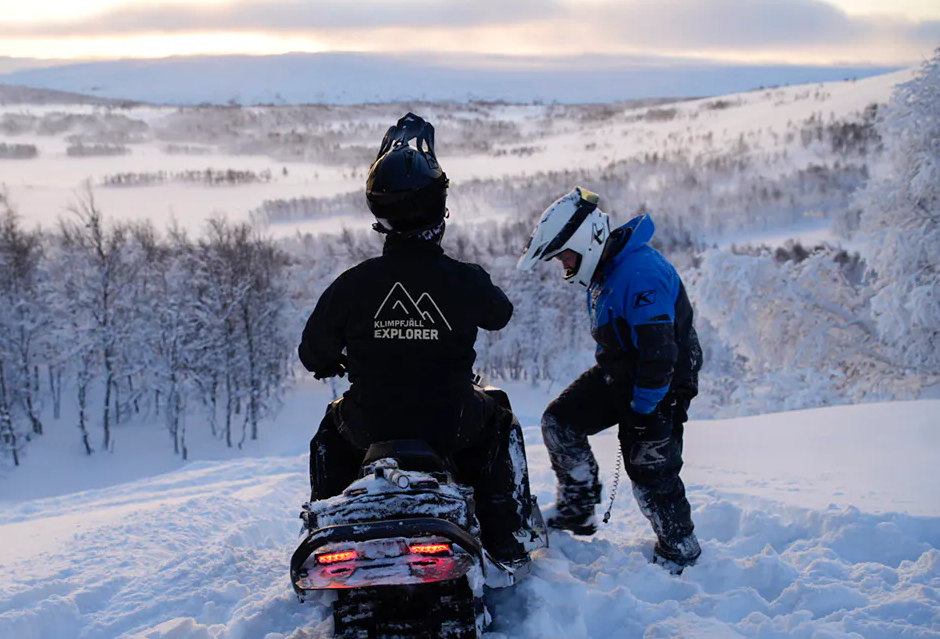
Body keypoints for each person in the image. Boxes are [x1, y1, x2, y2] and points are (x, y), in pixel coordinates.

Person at [299, 112, 539, 565]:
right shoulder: (463, 279)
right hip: (452, 421)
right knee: (500, 420)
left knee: (330, 433)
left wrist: (336, 357)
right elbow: (501, 314)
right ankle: (506, 541)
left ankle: (328, 528)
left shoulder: (352, 284)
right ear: (438, 210)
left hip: (370, 424)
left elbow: (313, 353)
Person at [516, 187, 703, 572]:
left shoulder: (639, 274)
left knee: (650, 469)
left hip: (660, 384)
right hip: (623, 374)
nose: (563, 265)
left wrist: (642, 409)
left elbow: (660, 354)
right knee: (559, 422)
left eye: (564, 256)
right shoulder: (607, 268)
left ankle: (679, 549)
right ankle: (577, 511)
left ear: (585, 242)